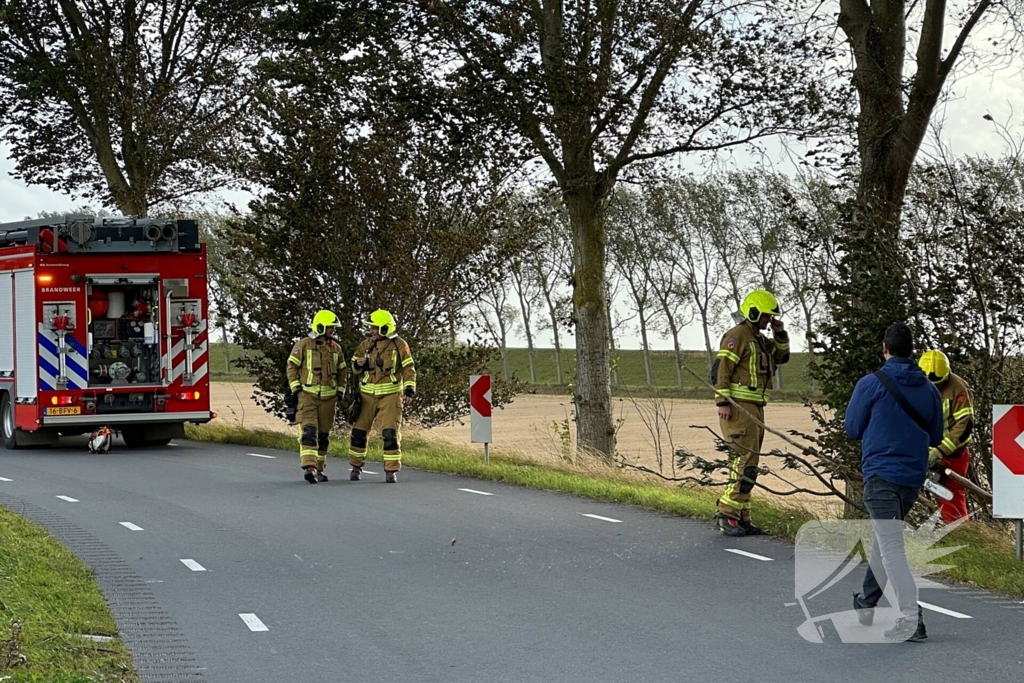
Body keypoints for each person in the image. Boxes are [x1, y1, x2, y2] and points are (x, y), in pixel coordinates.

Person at [846, 323, 944, 643]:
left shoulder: (871, 384)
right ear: (911, 350)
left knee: (891, 547)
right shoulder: (929, 389)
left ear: (885, 349)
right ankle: (866, 601)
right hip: (911, 479)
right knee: (884, 540)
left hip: (881, 475)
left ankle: (912, 619)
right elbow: (937, 436)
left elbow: (852, 427)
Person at [712, 288, 790, 536]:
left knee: (750, 462)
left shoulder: (759, 338)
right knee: (743, 461)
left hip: (755, 406)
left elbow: (782, 356)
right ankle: (727, 514)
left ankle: (742, 516)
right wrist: (723, 401)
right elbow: (722, 368)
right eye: (766, 316)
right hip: (739, 406)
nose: (768, 320)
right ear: (754, 312)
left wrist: (779, 333)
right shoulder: (738, 335)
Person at [347, 309, 416, 483]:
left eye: (375, 328)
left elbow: (409, 368)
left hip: (391, 395)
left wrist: (409, 389)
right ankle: (355, 467)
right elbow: (354, 366)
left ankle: (391, 471)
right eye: (371, 328)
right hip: (366, 395)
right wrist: (357, 364)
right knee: (359, 433)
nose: (372, 331)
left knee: (390, 433)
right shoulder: (365, 344)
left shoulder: (400, 345)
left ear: (385, 328)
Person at [286, 310, 347, 484]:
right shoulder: (304, 345)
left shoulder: (336, 348)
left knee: (323, 436)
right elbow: (292, 367)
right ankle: (309, 467)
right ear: (320, 326)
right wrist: (296, 388)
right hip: (308, 396)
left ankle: (319, 469)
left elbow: (343, 371)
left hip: (329, 400)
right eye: (330, 327)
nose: (333, 331)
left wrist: (340, 391)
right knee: (309, 431)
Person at [919, 350, 975, 523]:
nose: (935, 389)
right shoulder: (915, 385)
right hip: (923, 451)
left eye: (939, 384)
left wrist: (941, 451)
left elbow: (965, 425)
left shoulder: (957, 387)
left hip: (952, 454)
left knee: (951, 496)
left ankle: (959, 536)